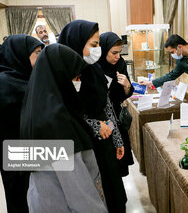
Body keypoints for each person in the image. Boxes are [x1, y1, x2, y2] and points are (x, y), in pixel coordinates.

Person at [20, 43, 108, 213]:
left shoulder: (35, 109)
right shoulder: (57, 124)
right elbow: (80, 194)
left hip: (42, 200)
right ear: (60, 77)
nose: (77, 83)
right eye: (74, 77)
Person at [59, 21, 127, 212]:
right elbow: (63, 113)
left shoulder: (95, 69)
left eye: (98, 45)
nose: (98, 50)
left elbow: (106, 106)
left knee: (113, 191)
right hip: (81, 144)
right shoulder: (61, 74)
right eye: (94, 45)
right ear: (76, 42)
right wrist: (94, 125)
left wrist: (117, 138)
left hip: (105, 141)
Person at [0, 34, 44, 213]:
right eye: (36, 53)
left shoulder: (29, 77)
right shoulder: (4, 82)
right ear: (19, 54)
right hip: (14, 151)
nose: (40, 58)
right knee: (20, 197)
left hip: (31, 150)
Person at [99, 31, 135, 177]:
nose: (117, 57)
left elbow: (126, 93)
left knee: (120, 154)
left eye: (120, 52)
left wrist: (126, 85)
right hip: (101, 116)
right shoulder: (94, 66)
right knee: (108, 155)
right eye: (114, 53)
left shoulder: (120, 64)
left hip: (116, 114)